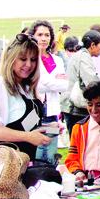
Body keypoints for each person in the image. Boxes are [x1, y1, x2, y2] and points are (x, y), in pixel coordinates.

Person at [0, 33, 51, 161]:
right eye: (23, 59)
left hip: (26, 163)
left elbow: (25, 126)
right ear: (11, 58)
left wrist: (48, 128)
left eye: (33, 60)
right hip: (4, 167)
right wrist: (27, 137)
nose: (28, 65)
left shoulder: (26, 87)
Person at [28, 20, 68, 164]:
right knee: (35, 154)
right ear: (33, 36)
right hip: (34, 113)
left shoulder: (57, 60)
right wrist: (53, 81)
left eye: (47, 35)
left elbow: (64, 86)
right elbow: (36, 85)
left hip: (52, 113)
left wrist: (46, 81)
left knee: (51, 155)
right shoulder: (29, 59)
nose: (44, 38)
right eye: (39, 34)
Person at [61, 30, 100, 136]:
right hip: (75, 109)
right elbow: (92, 82)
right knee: (81, 145)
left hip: (71, 106)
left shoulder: (81, 55)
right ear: (93, 45)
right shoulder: (84, 57)